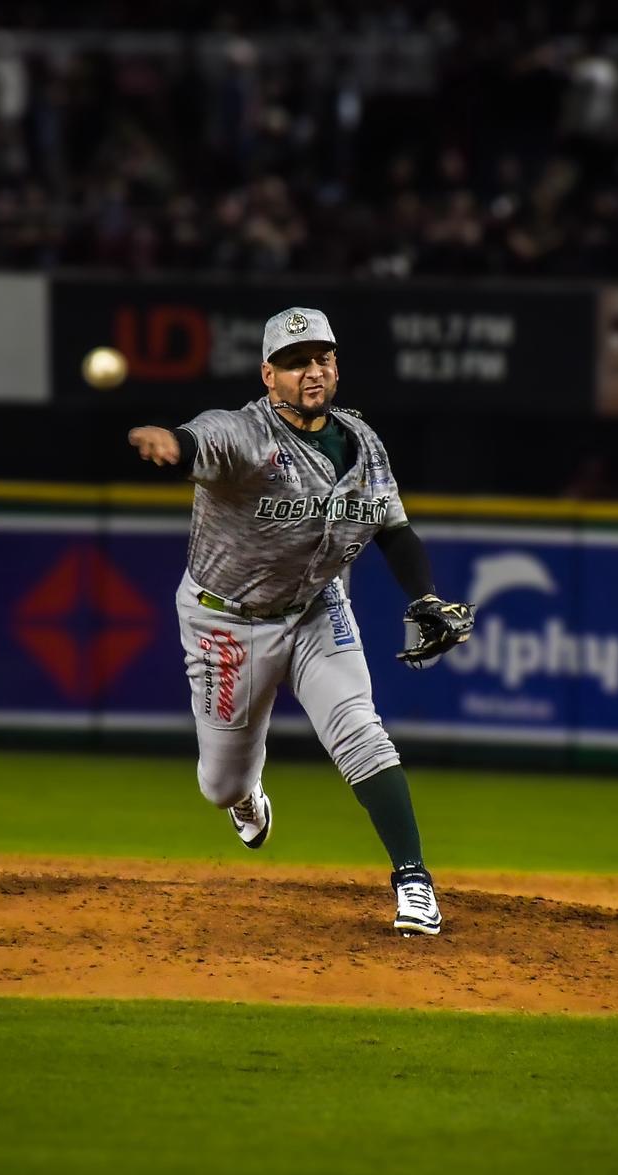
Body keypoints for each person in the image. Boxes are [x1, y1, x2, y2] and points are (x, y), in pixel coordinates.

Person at [127, 306, 473, 936]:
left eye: (322, 358)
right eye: (294, 363)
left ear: (336, 366)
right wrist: (173, 445)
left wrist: (423, 597)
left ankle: (414, 881)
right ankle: (246, 798)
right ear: (269, 375)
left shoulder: (363, 444)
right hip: (225, 623)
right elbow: (201, 441)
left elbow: (393, 529)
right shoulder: (244, 435)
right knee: (219, 783)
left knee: (360, 731)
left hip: (318, 608)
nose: (311, 371)